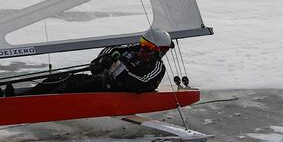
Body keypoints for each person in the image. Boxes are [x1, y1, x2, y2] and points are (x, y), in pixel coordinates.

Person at [22, 26, 173, 95]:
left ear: (160, 52)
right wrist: (104, 60)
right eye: (142, 43)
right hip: (100, 81)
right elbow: (110, 50)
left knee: (72, 85)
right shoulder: (133, 49)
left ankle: (32, 103)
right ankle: (19, 96)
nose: (141, 49)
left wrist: (115, 67)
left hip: (114, 91)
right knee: (58, 78)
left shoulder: (157, 67)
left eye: (147, 47)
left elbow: (141, 84)